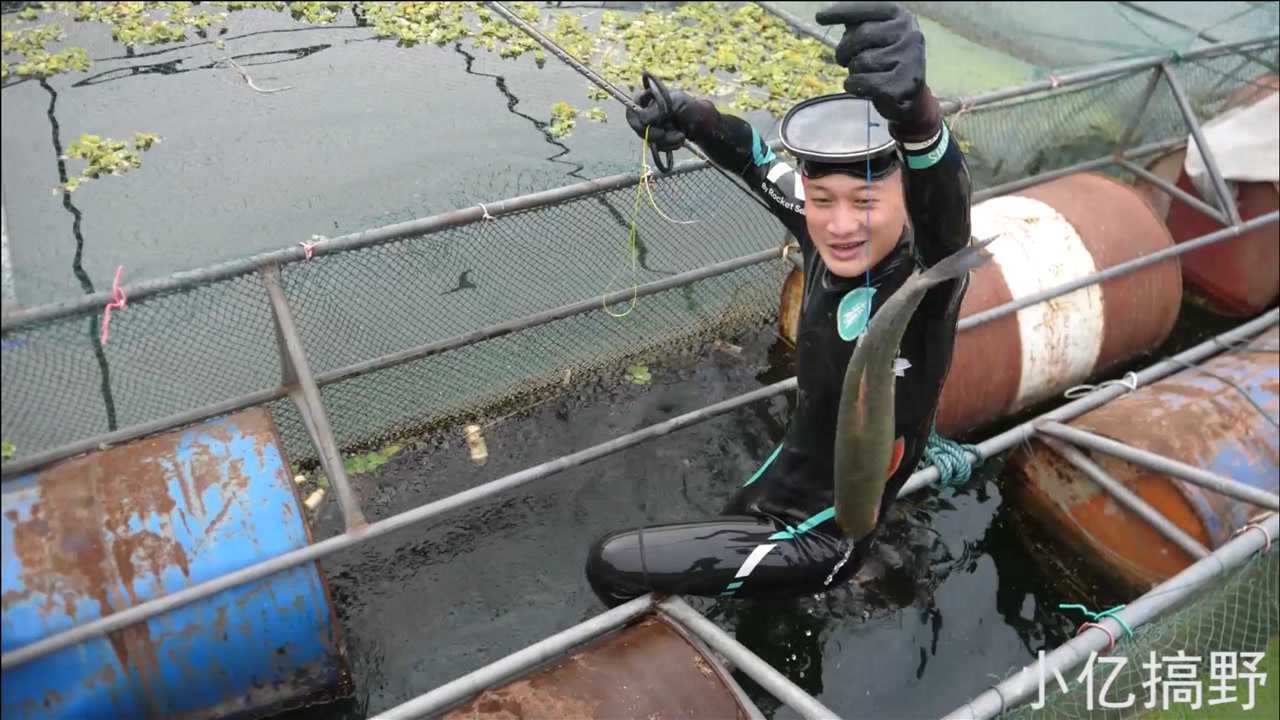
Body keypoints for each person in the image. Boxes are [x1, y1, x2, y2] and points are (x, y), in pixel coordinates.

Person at [586, 2, 973, 607]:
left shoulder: (928, 280)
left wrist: (919, 114)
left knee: (611, 563)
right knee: (722, 543)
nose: (840, 226)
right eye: (822, 199)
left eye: (865, 202)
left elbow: (946, 208)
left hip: (824, 540)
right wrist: (688, 115)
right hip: (778, 482)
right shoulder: (818, 230)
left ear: (905, 197)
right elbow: (752, 157)